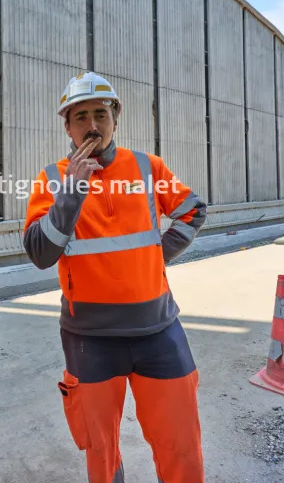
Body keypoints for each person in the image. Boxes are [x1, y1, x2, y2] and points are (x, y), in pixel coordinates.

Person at [22, 72, 208, 483]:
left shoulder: (146, 167)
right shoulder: (51, 179)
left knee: (181, 443)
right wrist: (72, 191)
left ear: (115, 120)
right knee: (100, 450)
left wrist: (158, 255)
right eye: (81, 117)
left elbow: (193, 210)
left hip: (158, 331)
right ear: (67, 127)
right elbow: (39, 253)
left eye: (100, 115)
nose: (92, 125)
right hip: (89, 339)